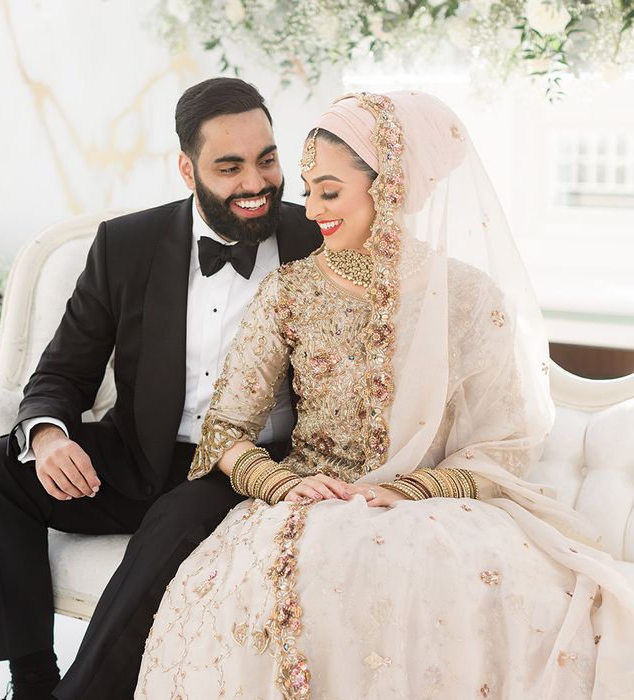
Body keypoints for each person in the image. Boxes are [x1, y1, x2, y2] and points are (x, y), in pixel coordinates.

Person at [135, 92, 634, 699]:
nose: (311, 208)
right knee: (317, 574)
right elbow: (225, 428)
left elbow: (505, 444)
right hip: (308, 505)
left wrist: (412, 488)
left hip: (431, 510)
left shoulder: (467, 297)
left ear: (390, 187)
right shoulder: (290, 291)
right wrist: (283, 484)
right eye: (311, 188)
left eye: (330, 191)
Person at [0, 76, 321, 700]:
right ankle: (32, 683)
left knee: (173, 523)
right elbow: (62, 372)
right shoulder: (126, 245)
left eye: (267, 159)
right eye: (229, 167)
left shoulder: (319, 239)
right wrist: (47, 436)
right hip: (141, 453)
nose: (256, 183)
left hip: (246, 470)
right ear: (187, 168)